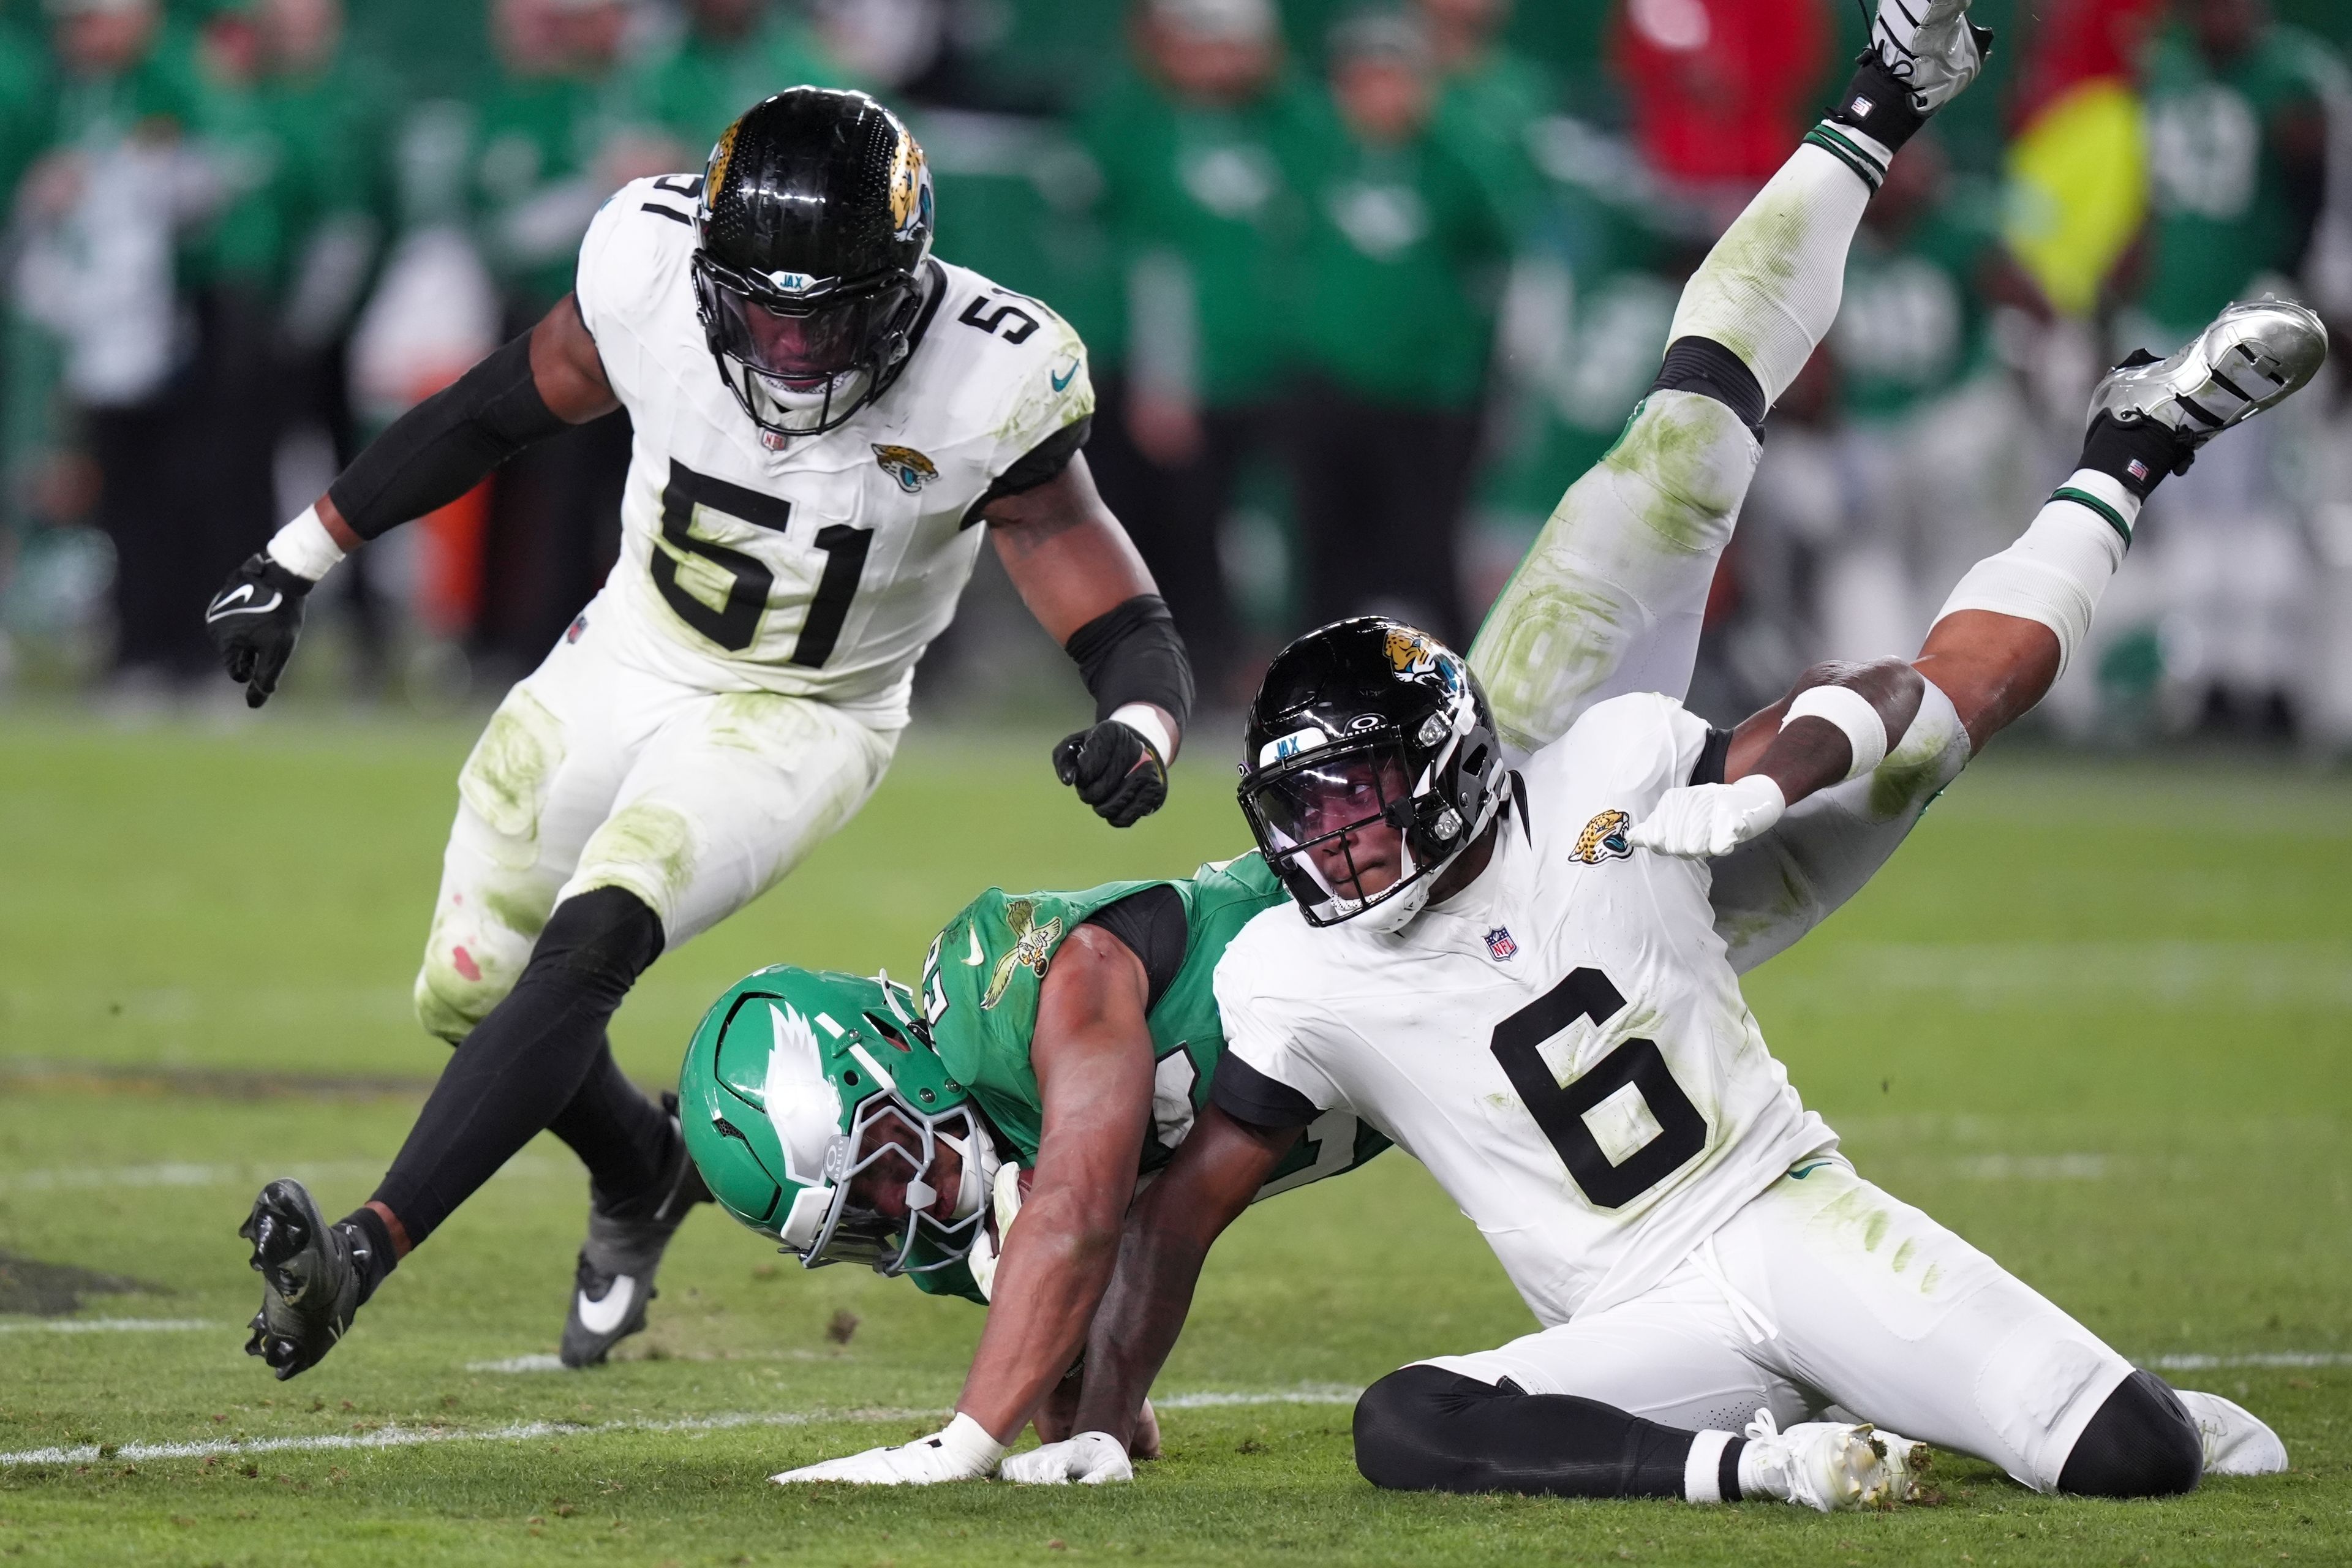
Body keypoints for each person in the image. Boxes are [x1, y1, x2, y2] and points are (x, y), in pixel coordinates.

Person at [735, 0, 2322, 1490]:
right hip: (1568, 994)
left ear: (904, 1068)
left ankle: (1889, 108)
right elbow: (1166, 1223)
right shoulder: (1275, 1004)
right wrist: (1106, 1414)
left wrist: (978, 1435)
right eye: (866, 1220)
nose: (900, 1213)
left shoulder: (1051, 997)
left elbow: (1092, 1204)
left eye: (880, 1178)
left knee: (1700, 452)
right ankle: (2130, 448)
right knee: (1919, 733)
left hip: (1526, 788)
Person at [210, 88, 1195, 1379]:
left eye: (826, 311)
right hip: (626, 651)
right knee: (467, 988)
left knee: (594, 938)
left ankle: (370, 1243)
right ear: (711, 278)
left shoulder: (991, 376)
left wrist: (1143, 724)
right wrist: (296, 557)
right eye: (763, 306)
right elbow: (498, 405)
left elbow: (1109, 592)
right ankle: (643, 1168)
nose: (789, 347)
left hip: (805, 711)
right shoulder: (645, 268)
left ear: (901, 289)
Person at [1075, 0, 1307, 701]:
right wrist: (1162, 375)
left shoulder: (1289, 125)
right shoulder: (1146, 124)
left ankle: (1285, 672)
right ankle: (1196, 675)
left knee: (1282, 531)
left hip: (1285, 367)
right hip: (1188, 373)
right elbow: (1153, 263)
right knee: (1187, 534)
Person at [1280, 8, 1509, 644]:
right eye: (1365, 79)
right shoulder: (1320, 152)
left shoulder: (1452, 159)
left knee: (1426, 550)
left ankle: (1456, 680)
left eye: (1394, 77)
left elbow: (1497, 250)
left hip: (1425, 388)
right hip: (1331, 378)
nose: (1380, 94)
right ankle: (1314, 684)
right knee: (1326, 548)